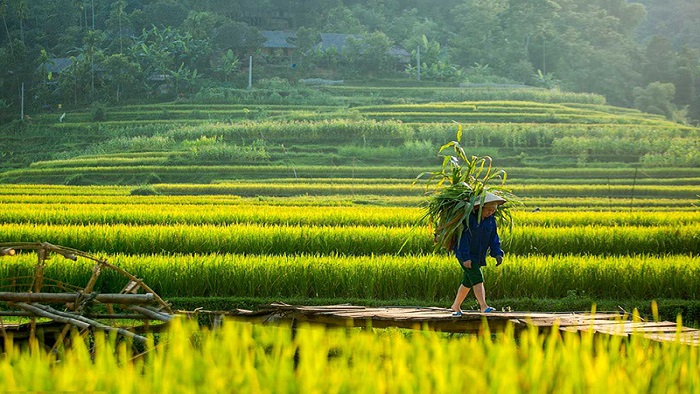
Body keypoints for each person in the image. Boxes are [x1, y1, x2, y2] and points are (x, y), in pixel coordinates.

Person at [450, 191, 506, 316]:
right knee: (477, 277)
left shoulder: (491, 221)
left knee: (468, 281)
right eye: (488, 210)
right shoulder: (469, 219)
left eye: (493, 210)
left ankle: (456, 306)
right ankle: (483, 306)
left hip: (479, 255)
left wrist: (497, 253)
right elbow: (463, 240)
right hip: (466, 255)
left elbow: (494, 238)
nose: (490, 213)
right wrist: (465, 257)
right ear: (480, 208)